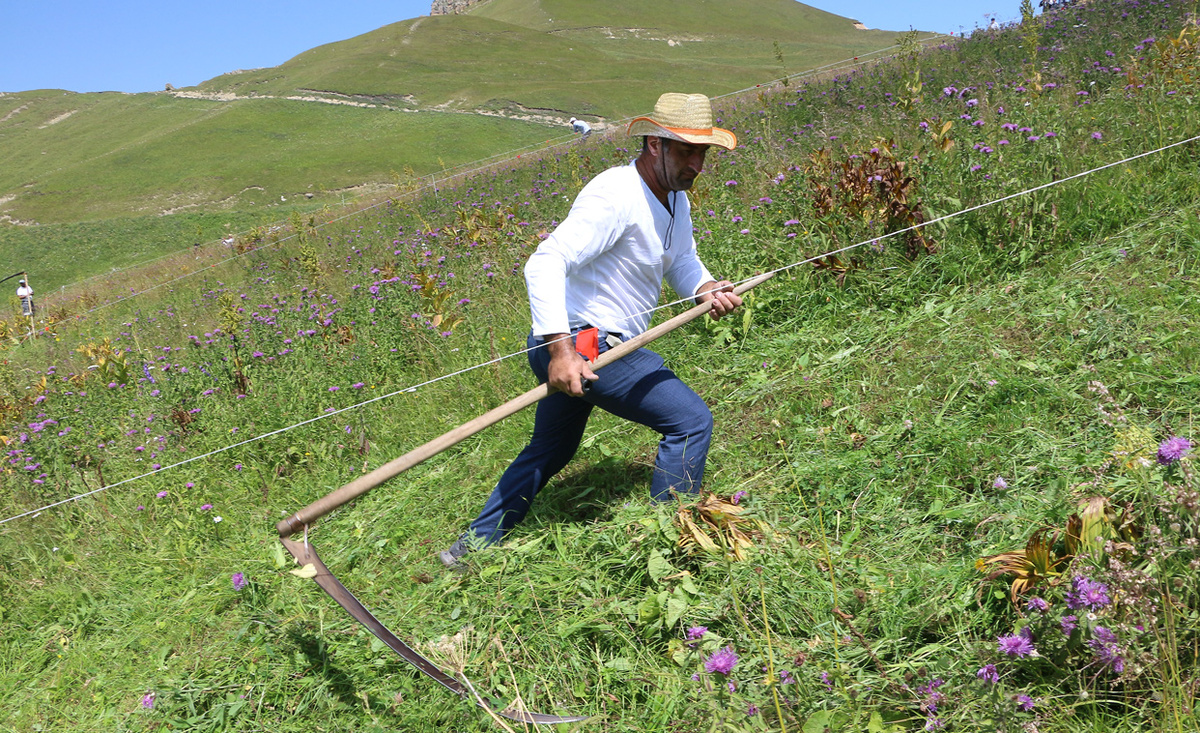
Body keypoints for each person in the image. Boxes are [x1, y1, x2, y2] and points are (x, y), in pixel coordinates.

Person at [441, 93, 742, 567]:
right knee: (689, 423)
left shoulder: (674, 200)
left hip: (583, 347)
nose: (697, 165)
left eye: (702, 152)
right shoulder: (615, 195)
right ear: (654, 145)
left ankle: (470, 549)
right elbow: (544, 262)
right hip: (586, 344)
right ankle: (672, 553)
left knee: (551, 448)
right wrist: (561, 352)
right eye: (686, 151)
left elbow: (680, 258)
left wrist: (704, 287)